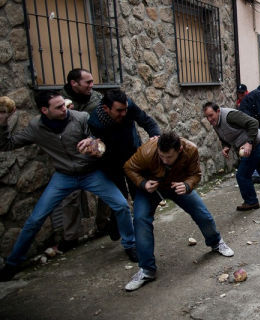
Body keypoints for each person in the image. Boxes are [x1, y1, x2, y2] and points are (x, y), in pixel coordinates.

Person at [0, 91, 137, 281]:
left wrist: (93, 143)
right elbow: (6, 145)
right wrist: (3, 121)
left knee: (121, 205)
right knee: (35, 220)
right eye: (58, 107)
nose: (64, 109)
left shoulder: (80, 118)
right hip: (64, 176)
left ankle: (130, 245)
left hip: (91, 173)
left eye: (63, 104)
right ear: (44, 110)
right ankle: (13, 264)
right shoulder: (35, 127)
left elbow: (98, 141)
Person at [122, 131, 234, 291]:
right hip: (150, 189)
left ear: (180, 150)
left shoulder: (191, 150)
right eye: (161, 156)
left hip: (177, 186)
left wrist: (187, 185)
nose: (165, 160)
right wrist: (143, 183)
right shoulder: (147, 151)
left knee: (201, 213)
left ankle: (216, 243)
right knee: (140, 221)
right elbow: (129, 167)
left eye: (169, 157)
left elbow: (195, 174)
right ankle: (147, 270)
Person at [58, 68, 110, 252]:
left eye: (92, 81)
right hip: (70, 158)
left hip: (94, 155)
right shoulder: (58, 101)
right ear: (74, 83)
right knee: (70, 197)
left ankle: (103, 225)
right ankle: (70, 237)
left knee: (106, 191)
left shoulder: (97, 99)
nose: (92, 85)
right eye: (87, 82)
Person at [88, 88, 160, 209]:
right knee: (120, 199)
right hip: (111, 162)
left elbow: (148, 122)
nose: (124, 113)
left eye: (125, 109)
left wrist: (155, 136)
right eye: (119, 111)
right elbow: (99, 151)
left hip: (133, 154)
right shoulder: (94, 123)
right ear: (106, 108)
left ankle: (142, 223)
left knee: (140, 193)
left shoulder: (128, 105)